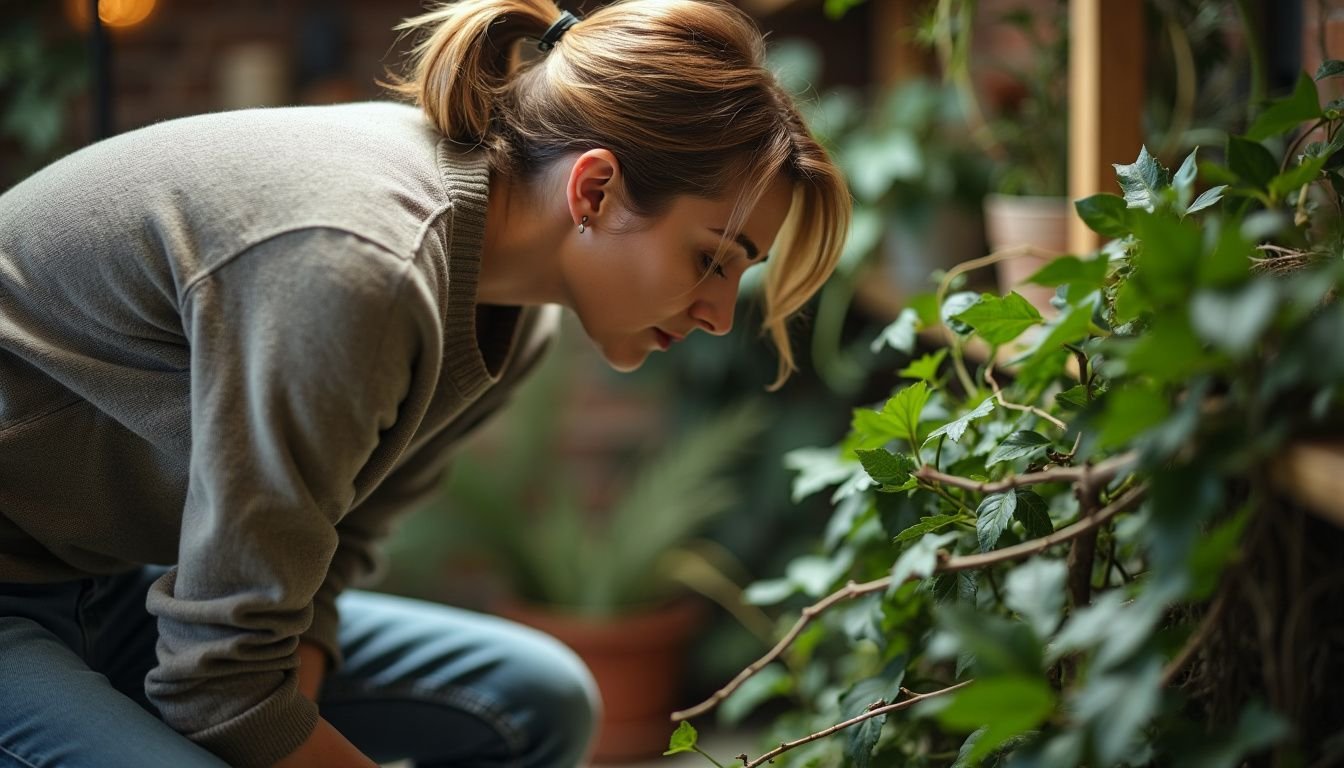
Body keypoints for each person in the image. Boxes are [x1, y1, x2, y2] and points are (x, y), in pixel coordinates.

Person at [0, 0, 849, 765]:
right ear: (594, 189)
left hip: (119, 579)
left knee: (536, 700)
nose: (717, 315)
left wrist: (276, 717)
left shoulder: (514, 316)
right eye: (711, 259)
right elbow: (215, 688)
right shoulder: (364, 269)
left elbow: (319, 560)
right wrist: (255, 722)